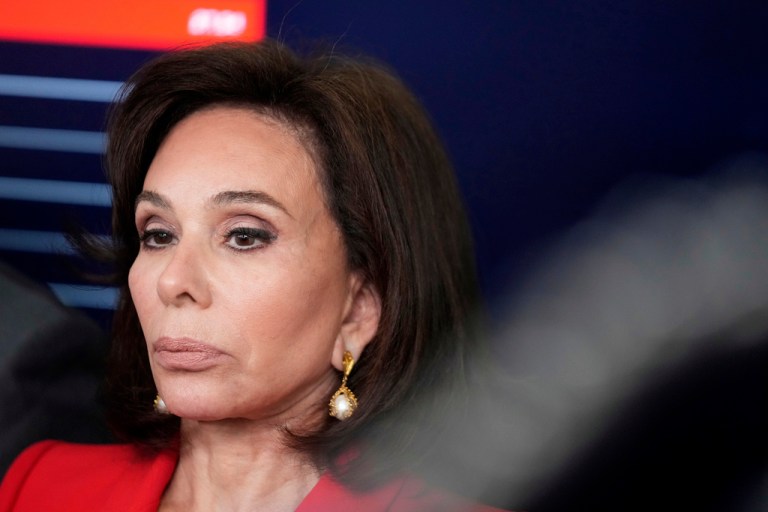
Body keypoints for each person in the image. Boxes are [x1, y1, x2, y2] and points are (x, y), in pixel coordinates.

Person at [0, 40, 506, 511]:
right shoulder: (41, 485)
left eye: (244, 236)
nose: (173, 281)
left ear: (361, 305)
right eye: (158, 234)